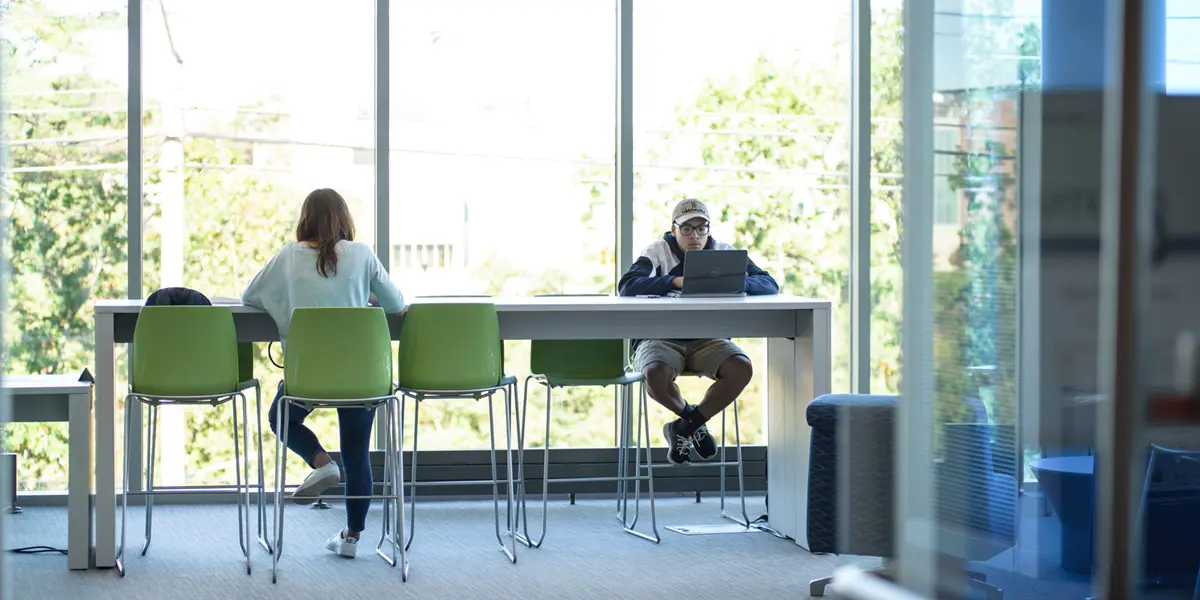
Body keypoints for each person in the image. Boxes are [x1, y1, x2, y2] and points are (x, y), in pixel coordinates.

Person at [242, 188, 406, 558]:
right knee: (357, 451)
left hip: (308, 378)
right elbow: (396, 304)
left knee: (280, 416)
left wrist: (292, 297)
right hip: (361, 377)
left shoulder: (288, 256)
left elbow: (249, 295)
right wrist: (364, 297)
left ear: (305, 220)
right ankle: (351, 538)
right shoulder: (362, 254)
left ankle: (321, 463)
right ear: (345, 219)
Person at [617, 198, 779, 465]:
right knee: (655, 375)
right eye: (687, 228)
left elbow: (769, 284)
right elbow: (628, 286)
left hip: (709, 337)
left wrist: (735, 281)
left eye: (701, 228)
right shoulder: (656, 251)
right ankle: (694, 422)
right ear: (674, 230)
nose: (695, 235)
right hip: (659, 337)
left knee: (741, 368)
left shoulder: (724, 252)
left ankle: (684, 427)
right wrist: (674, 281)